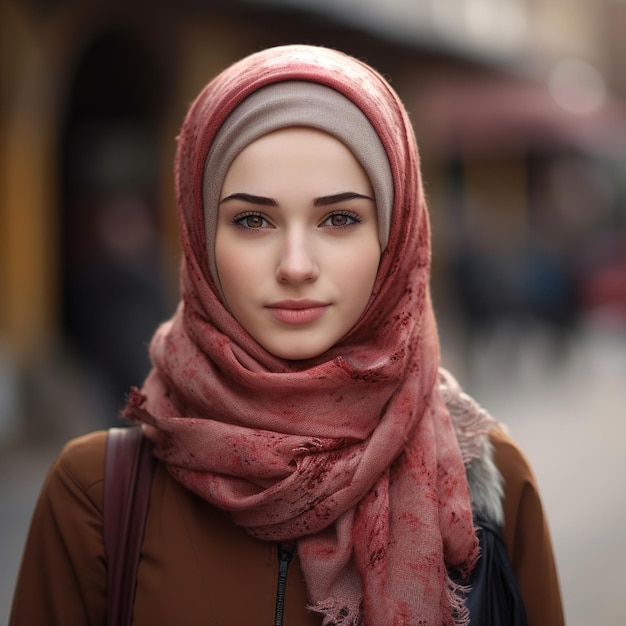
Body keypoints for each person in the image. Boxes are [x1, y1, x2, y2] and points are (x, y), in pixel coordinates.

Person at [10, 44, 564, 626]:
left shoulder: (490, 481)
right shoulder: (97, 496)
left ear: (395, 236)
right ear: (200, 238)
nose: (296, 265)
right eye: (252, 220)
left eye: (340, 218)